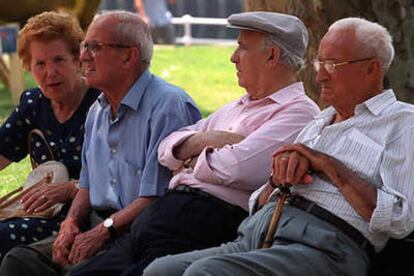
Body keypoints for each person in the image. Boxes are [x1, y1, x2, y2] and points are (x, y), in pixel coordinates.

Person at [143, 17, 414, 276]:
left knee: (205, 273)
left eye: (332, 65)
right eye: (319, 63)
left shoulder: (403, 122)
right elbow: (258, 200)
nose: (320, 77)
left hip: (324, 245)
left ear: (371, 69)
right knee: (160, 270)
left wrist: (327, 165)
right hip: (260, 231)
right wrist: (278, 178)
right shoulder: (320, 121)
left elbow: (401, 219)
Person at [67, 11, 320, 275]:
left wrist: (189, 160)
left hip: (204, 223)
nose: (232, 57)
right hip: (162, 221)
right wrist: (214, 142)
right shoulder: (236, 106)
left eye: (242, 48)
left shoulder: (298, 113)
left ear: (272, 56)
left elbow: (235, 169)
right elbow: (165, 150)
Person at [0, 10, 200, 275]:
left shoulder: (167, 107)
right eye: (86, 47)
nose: (85, 57)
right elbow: (88, 185)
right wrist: (70, 224)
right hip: (92, 221)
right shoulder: (99, 109)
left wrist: (101, 230)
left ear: (128, 56)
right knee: (19, 262)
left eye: (94, 48)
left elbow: (158, 197)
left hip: (141, 231)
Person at [0, 11, 100, 261]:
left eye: (59, 60)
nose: (50, 72)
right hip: (36, 213)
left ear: (77, 58)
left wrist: (70, 189)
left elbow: (120, 177)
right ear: (28, 67)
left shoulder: (101, 103)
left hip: (87, 218)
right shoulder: (33, 103)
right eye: (40, 64)